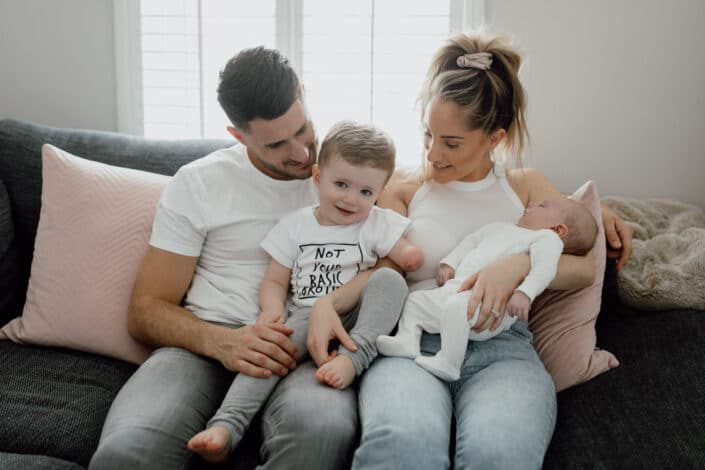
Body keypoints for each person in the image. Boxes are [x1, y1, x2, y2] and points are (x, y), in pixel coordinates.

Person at [89, 47, 407, 470]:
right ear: (239, 136)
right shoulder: (200, 183)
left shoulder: (345, 172)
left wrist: (332, 303)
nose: (300, 153)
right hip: (203, 345)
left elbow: (391, 262)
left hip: (306, 348)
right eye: (277, 144)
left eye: (303, 129)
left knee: (321, 435)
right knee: (126, 454)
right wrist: (224, 343)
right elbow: (145, 310)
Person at [337, 34, 633, 469]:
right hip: (415, 341)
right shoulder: (402, 190)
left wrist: (515, 266)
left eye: (451, 143)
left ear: (495, 138)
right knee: (402, 447)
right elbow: (381, 275)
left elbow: (581, 267)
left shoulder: (525, 186)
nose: (433, 153)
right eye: (428, 135)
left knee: (500, 455)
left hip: (503, 351)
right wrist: (328, 305)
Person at [186, 121, 423, 463]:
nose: (350, 199)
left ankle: (352, 359)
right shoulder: (296, 225)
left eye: (365, 192)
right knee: (269, 348)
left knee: (390, 282)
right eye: (340, 184)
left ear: (380, 191)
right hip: (305, 314)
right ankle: (227, 425)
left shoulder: (377, 222)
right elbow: (274, 281)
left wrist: (409, 254)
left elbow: (405, 258)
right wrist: (271, 310)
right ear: (316, 176)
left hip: (356, 317)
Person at [377, 197, 598, 381]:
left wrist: (525, 293)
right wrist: (449, 263)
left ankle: (450, 362)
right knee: (415, 301)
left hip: (491, 309)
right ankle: (407, 340)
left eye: (541, 206)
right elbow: (471, 241)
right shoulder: (500, 228)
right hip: (455, 291)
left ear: (558, 229)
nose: (530, 206)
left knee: (457, 308)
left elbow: (544, 269)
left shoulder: (546, 239)